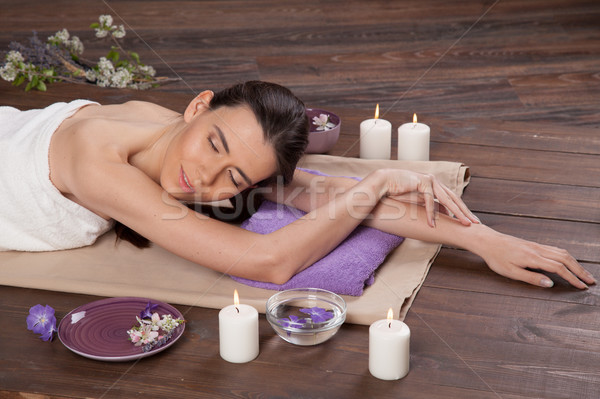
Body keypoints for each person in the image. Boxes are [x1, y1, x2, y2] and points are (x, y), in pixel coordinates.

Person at [0, 80, 594, 289]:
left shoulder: (174, 136)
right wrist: (380, 178)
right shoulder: (96, 162)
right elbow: (268, 262)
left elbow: (315, 194)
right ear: (198, 106)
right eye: (214, 144)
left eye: (236, 178)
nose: (206, 178)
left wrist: (485, 240)